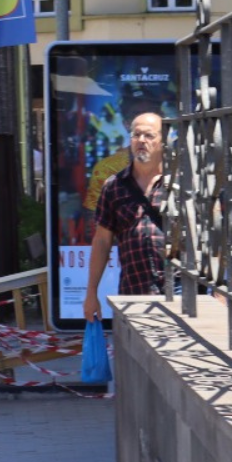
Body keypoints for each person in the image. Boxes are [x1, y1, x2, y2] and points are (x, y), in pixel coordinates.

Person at [83, 113, 168, 324]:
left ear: (163, 142)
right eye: (136, 135)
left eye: (149, 135)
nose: (141, 141)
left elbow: (207, 236)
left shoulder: (180, 183)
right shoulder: (114, 186)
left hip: (179, 290)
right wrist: (91, 292)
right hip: (134, 291)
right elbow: (102, 241)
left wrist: (220, 290)